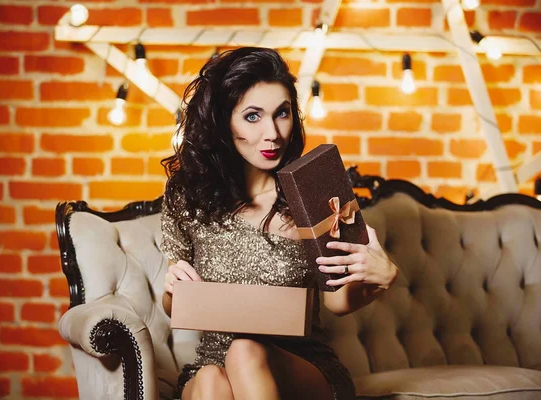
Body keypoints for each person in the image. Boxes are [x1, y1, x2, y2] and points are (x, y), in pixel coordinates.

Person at [160, 47, 399, 400]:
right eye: (253, 116)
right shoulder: (188, 196)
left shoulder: (315, 190)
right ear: (223, 120)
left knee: (244, 349)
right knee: (211, 380)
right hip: (212, 364)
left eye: (282, 114)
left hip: (301, 368)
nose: (272, 133)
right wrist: (172, 290)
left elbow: (336, 302)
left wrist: (380, 278)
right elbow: (175, 305)